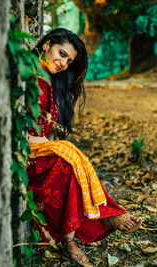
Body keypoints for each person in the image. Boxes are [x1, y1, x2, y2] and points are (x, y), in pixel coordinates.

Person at [27, 28, 141, 266]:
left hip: (41, 152)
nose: (63, 63)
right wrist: (50, 147)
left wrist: (53, 147)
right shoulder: (24, 75)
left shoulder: (50, 81)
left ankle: (102, 217)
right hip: (21, 156)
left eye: (68, 61)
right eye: (61, 54)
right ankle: (81, 232)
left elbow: (48, 131)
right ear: (46, 45)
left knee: (72, 159)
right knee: (67, 163)